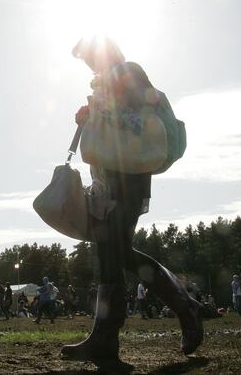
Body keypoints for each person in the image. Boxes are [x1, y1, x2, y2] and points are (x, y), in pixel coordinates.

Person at [61, 37, 203, 367]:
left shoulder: (129, 73)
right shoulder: (105, 82)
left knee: (116, 249)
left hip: (129, 179)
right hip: (109, 178)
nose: (89, 64)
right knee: (111, 251)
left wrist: (103, 113)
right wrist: (90, 116)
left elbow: (140, 122)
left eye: (90, 56)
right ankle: (105, 339)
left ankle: (181, 309)